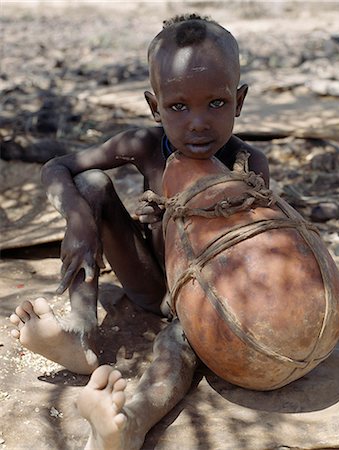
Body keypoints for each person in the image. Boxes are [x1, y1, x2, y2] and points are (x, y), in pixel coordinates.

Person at [10, 13, 269, 449]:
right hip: (148, 282)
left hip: (203, 300)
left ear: (239, 101)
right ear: (155, 107)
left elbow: (253, 252)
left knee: (176, 351)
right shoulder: (144, 146)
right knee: (90, 185)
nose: (198, 122)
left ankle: (128, 424)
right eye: (178, 107)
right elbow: (58, 167)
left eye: (217, 104)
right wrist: (76, 218)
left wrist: (181, 218)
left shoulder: (248, 165)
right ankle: (80, 332)